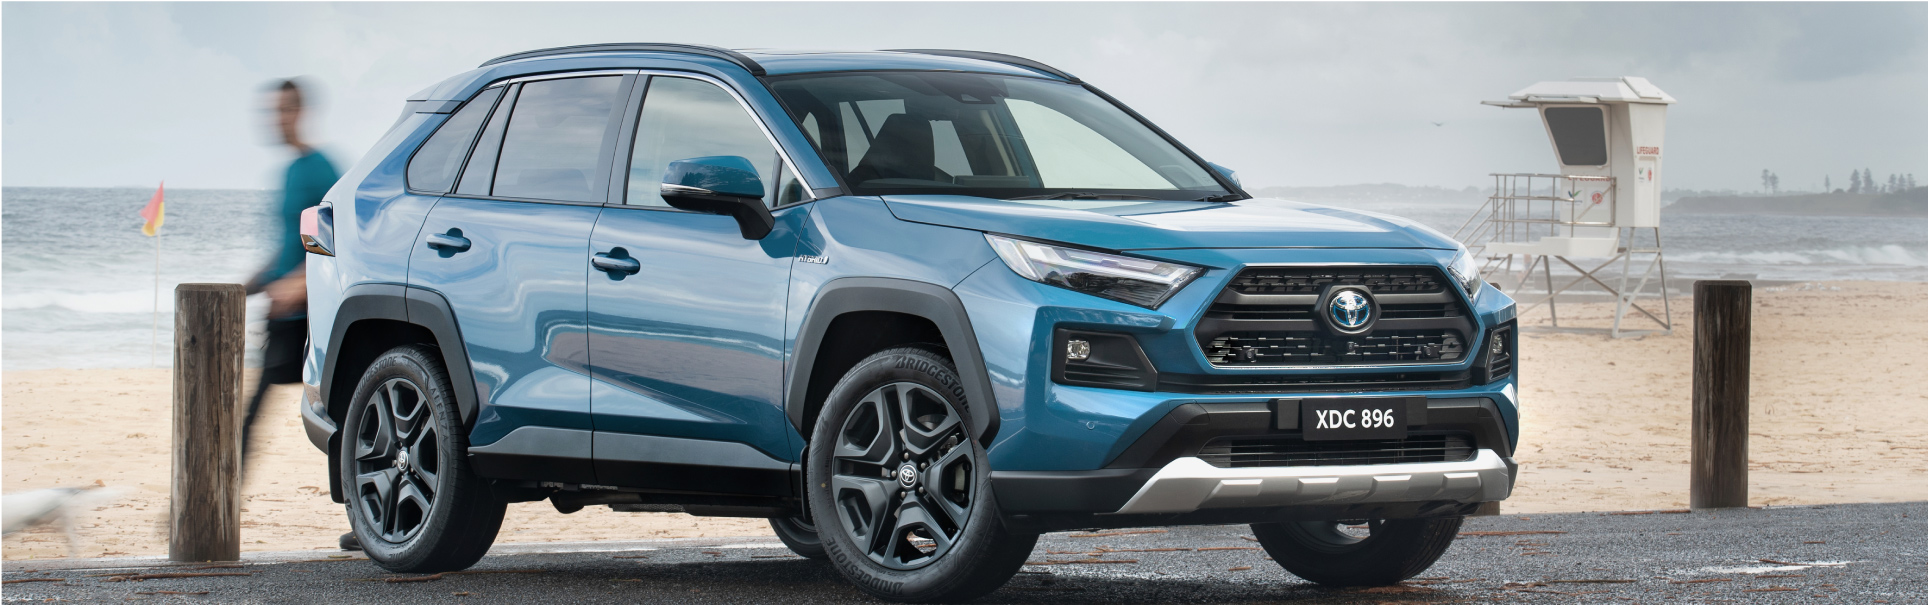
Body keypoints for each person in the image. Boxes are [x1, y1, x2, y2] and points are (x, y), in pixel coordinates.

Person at [241, 78, 352, 549]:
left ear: (302, 112)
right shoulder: (288, 172)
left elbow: (332, 233)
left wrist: (297, 286)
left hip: (311, 312)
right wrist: (249, 284)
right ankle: (223, 497)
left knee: (342, 413)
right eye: (272, 111)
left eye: (284, 110)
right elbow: (289, 244)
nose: (277, 119)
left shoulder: (319, 168)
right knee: (254, 410)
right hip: (281, 314)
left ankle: (368, 514)